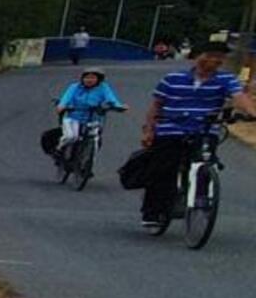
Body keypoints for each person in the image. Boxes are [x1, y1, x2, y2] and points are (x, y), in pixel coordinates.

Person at [139, 40, 256, 224]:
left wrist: (251, 113)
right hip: (171, 129)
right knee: (162, 168)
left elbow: (239, 98)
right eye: (209, 55)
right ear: (196, 57)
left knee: (206, 161)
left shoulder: (226, 79)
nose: (214, 60)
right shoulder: (172, 79)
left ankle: (200, 198)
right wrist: (149, 130)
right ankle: (153, 211)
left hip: (205, 129)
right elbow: (156, 106)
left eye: (219, 57)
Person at [56, 69, 123, 153]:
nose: (89, 80)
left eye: (92, 78)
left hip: (94, 118)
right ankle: (59, 148)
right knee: (71, 137)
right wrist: (62, 105)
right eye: (87, 78)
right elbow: (66, 97)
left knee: (94, 139)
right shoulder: (74, 87)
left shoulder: (103, 88)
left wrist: (118, 106)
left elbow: (111, 98)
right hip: (74, 117)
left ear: (98, 79)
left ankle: (88, 159)